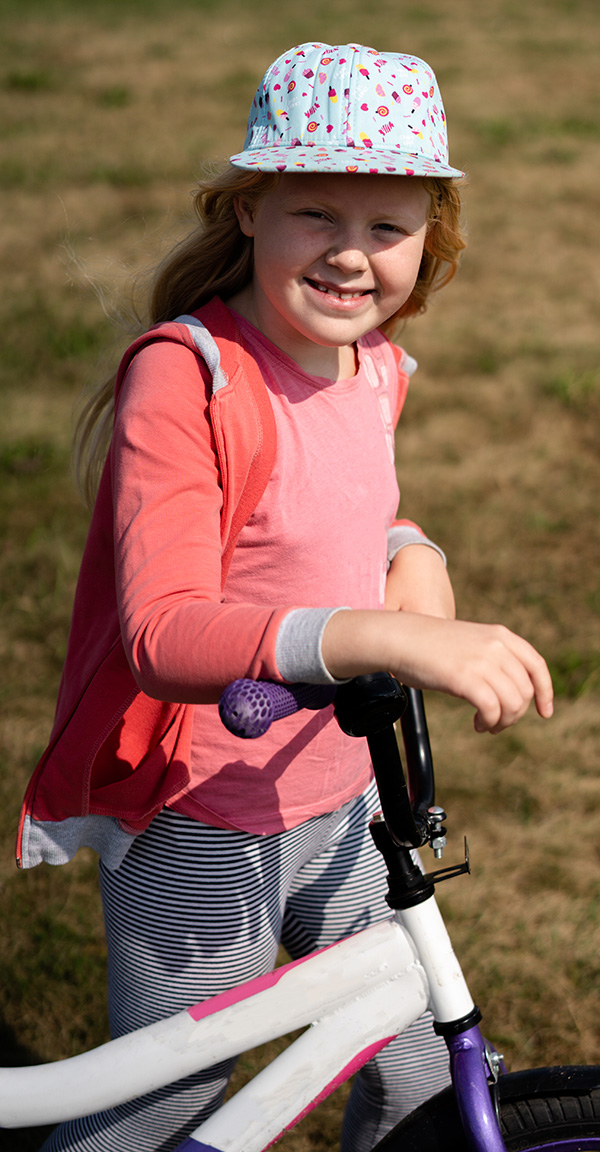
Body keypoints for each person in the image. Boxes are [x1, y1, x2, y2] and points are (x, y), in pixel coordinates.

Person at [21, 42, 553, 1152]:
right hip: (207, 815)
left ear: (432, 238)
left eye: (387, 228)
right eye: (318, 213)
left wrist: (415, 551)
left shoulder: (378, 367)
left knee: (415, 1061)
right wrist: (389, 635)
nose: (353, 256)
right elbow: (165, 632)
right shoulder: (189, 375)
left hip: (349, 800)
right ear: (250, 209)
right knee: (163, 1103)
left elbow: (340, 516)